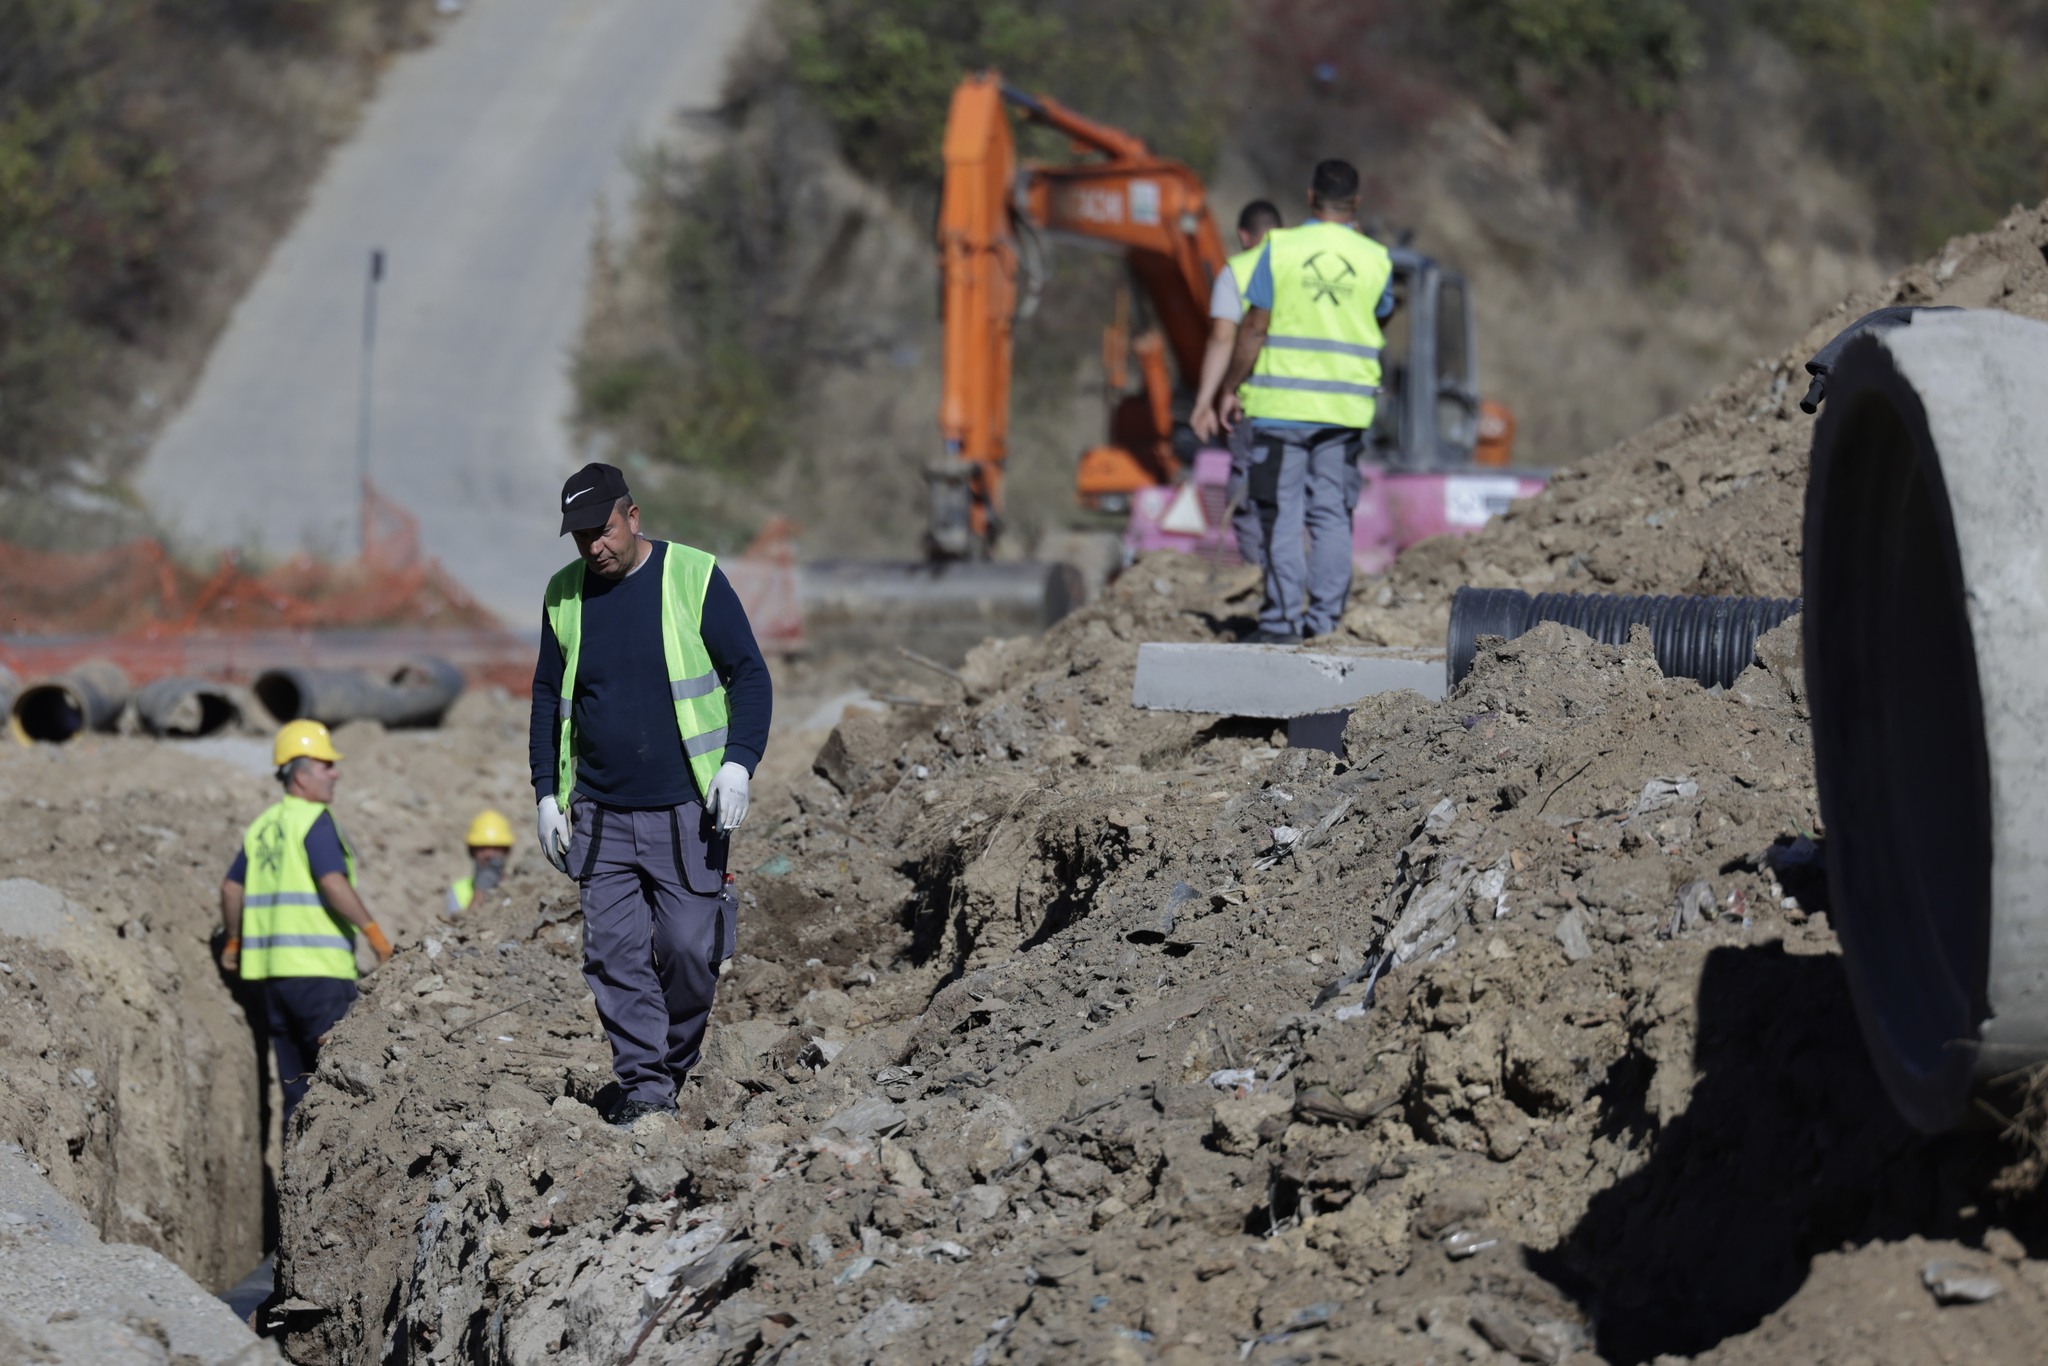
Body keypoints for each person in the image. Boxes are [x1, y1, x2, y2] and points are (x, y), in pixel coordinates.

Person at [529, 462, 773, 1128]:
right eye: (580, 538)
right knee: (613, 954)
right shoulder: (563, 596)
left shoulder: (692, 576)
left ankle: (670, 1062)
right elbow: (549, 696)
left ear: (632, 517)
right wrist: (547, 792)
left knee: (690, 951)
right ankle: (645, 1087)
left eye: (602, 531)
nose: (594, 548)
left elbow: (748, 675)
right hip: (602, 814)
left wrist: (739, 765)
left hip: (685, 810)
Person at [1216, 159, 1397, 644]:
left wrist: (1232, 386)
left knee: (1281, 510)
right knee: (1332, 513)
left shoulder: (1282, 248)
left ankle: (1279, 623)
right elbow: (1377, 318)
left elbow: (1254, 327)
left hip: (1281, 409)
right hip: (1343, 412)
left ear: (1310, 195)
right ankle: (1325, 624)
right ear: (1356, 203)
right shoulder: (1375, 258)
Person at [216, 720, 393, 1128]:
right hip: (319, 975)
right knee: (334, 1089)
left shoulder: (263, 826)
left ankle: (290, 1187)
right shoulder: (314, 819)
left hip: (273, 980)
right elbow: (332, 882)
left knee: (296, 1093)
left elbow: (230, 889)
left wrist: (233, 943)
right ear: (300, 774)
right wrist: (374, 935)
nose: (336, 773)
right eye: (325, 764)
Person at [1191, 199, 1284, 567]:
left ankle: (1261, 582)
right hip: (1318, 407)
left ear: (1243, 235)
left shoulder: (1240, 269)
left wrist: (1207, 401)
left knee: (1246, 499)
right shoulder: (1301, 265)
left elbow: (1223, 339)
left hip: (1258, 405)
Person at [445, 809, 513, 917]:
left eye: (496, 849)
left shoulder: (518, 886)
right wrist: (480, 891)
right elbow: (457, 928)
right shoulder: (458, 891)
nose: (489, 855)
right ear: (471, 852)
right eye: (482, 849)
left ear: (506, 852)